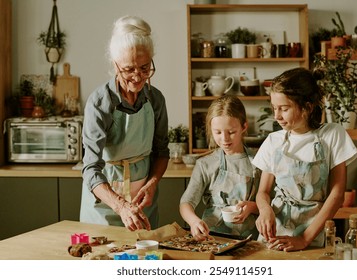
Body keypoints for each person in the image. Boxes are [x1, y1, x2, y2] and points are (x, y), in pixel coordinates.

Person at [252, 67, 357, 252]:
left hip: (313, 233)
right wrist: (265, 210)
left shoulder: (332, 134)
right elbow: (263, 192)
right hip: (274, 234)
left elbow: (337, 195)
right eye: (274, 108)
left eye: (284, 109)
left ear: (307, 107)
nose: (277, 116)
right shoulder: (274, 140)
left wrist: (304, 239)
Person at [80, 15, 170, 231]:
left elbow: (161, 152)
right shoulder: (100, 102)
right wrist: (120, 206)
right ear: (115, 65)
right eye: (129, 69)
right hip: (104, 206)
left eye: (145, 68)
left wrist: (152, 184)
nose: (138, 77)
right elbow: (90, 168)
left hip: (143, 205)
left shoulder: (155, 99)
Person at [180, 95, 261, 241]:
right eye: (217, 132)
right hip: (213, 238)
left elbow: (272, 204)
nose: (224, 139)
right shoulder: (205, 164)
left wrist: (252, 207)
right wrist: (193, 221)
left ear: (244, 127)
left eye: (231, 132)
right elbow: (186, 202)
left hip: (251, 240)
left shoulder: (260, 161)